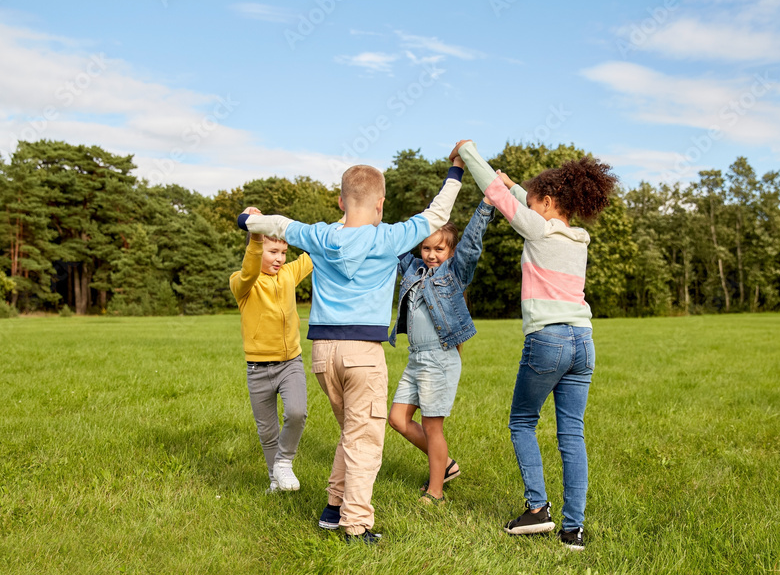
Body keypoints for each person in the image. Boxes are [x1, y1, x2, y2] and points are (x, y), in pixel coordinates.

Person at [236, 158, 464, 544]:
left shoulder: (321, 236)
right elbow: (438, 212)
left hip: (323, 354)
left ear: (342, 201)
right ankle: (356, 525)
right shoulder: (388, 236)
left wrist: (247, 220)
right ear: (380, 203)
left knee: (350, 431)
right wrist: (455, 171)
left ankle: (332, 508)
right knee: (364, 440)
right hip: (362, 352)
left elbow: (275, 223)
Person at [453, 139, 617, 551]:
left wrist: (468, 151)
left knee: (522, 421)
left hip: (549, 339)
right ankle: (573, 531)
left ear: (545, 202)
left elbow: (495, 192)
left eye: (534, 201)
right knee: (571, 434)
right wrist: (515, 186)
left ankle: (537, 510)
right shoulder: (577, 238)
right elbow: (524, 199)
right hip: (584, 341)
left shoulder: (537, 228)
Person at [387, 199, 495, 504]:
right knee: (397, 419)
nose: (432, 254)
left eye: (439, 249)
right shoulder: (413, 269)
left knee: (431, 426)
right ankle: (445, 464)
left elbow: (472, 243)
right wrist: (370, 217)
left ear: (450, 252)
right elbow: (393, 245)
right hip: (415, 358)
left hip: (439, 357)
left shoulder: (454, 272)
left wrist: (485, 206)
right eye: (426, 248)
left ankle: (436, 492)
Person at [229, 227, 313, 492]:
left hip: (290, 364)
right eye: (272, 251)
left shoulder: (288, 274)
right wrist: (255, 235)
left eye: (284, 252)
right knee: (267, 432)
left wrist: (350, 217)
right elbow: (250, 269)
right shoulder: (243, 283)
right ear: (255, 251)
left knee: (297, 413)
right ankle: (274, 481)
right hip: (257, 370)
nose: (279, 258)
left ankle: (284, 462)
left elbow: (317, 250)